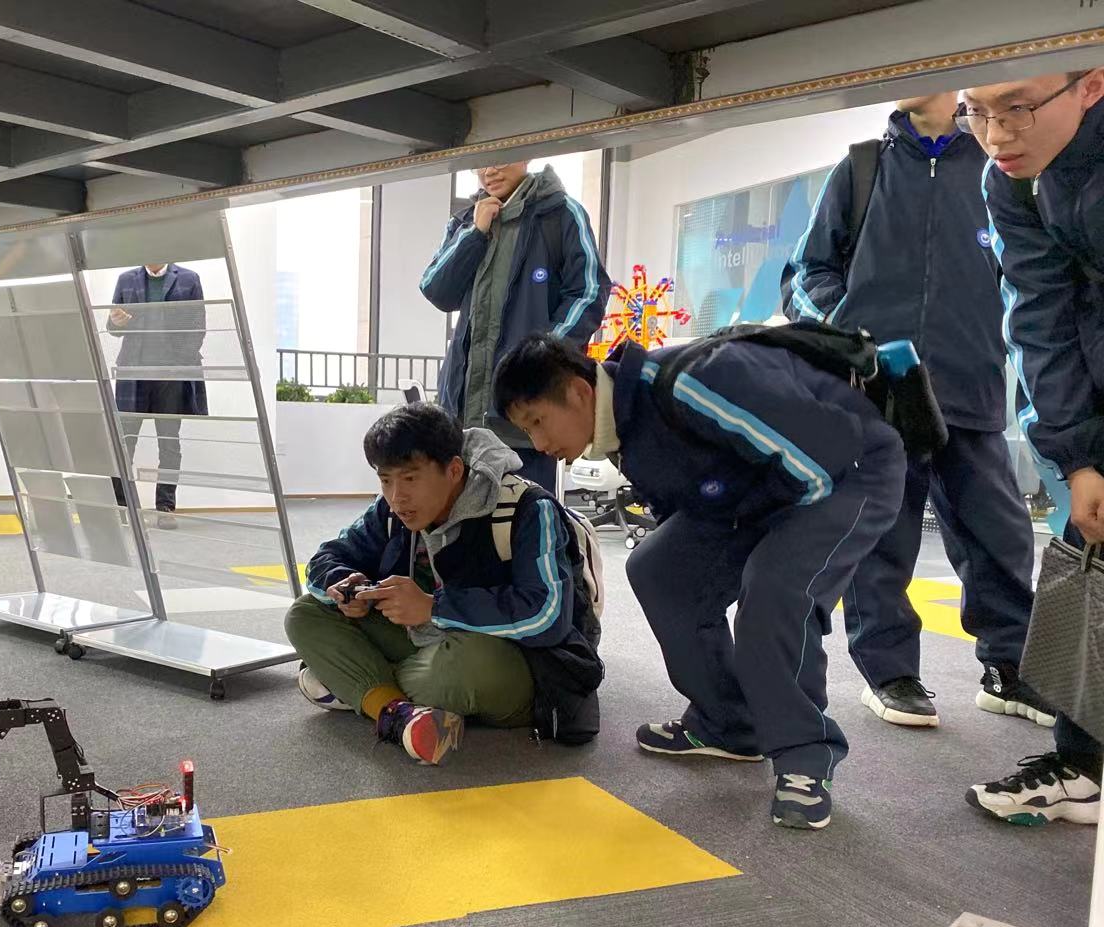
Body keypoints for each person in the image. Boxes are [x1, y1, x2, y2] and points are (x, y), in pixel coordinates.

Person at [493, 331, 906, 829]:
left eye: (538, 421)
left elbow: (816, 459)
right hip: (763, 489)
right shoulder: (623, 430)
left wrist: (767, 554)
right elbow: (685, 509)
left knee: (774, 588)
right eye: (527, 431)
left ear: (579, 392)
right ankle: (730, 724)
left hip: (847, 471)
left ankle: (804, 754)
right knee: (658, 570)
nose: (539, 445)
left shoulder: (690, 382)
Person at [782, 92, 1051, 730]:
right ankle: (890, 672)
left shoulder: (995, 165)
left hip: (971, 383)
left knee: (999, 535)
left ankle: (1010, 667)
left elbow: (1032, 275)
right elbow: (805, 273)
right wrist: (849, 331)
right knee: (883, 536)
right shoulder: (862, 168)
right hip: (880, 390)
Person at [284, 402, 603, 765]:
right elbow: (328, 557)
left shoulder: (525, 507)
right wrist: (344, 585)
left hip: (511, 661)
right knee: (306, 614)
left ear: (453, 470)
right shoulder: (393, 511)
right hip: (427, 642)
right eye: (385, 480)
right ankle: (399, 713)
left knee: (462, 668)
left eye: (410, 479)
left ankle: (362, 687)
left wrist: (433, 608)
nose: (396, 496)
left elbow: (547, 616)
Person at [961, 68, 1104, 826]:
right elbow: (1039, 318)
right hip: (1091, 400)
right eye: (977, 113)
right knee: (1085, 564)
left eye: (1017, 108)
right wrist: (1079, 457)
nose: (996, 136)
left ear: (1092, 85)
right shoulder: (1011, 181)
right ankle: (1082, 764)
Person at [420, 162, 610, 492]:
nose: (490, 170)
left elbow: (589, 291)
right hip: (460, 420)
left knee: (525, 516)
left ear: (526, 154)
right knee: (460, 521)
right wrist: (475, 234)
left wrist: (542, 359)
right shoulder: (465, 222)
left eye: (503, 157)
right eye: (481, 161)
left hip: (527, 418)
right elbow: (437, 290)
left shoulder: (560, 212)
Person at [106, 262, 206, 519]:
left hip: (170, 375)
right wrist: (116, 322)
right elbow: (113, 328)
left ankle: (165, 507)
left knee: (169, 443)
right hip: (133, 372)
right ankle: (123, 507)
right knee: (123, 442)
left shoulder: (189, 279)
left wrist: (177, 364)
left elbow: (198, 327)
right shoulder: (126, 279)